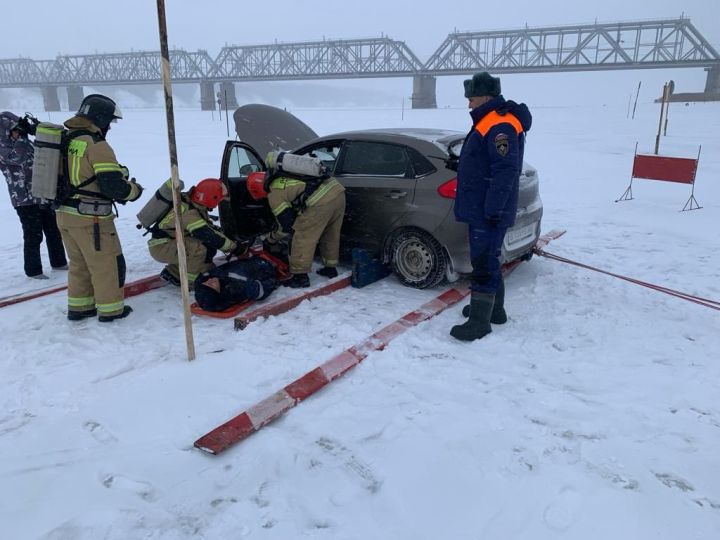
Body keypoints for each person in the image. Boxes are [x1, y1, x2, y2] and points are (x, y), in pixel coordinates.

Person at [450, 72, 532, 341]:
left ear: (485, 97)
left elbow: (505, 169)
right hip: (483, 206)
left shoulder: (499, 125)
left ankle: (479, 322)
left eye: (472, 99)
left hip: (488, 210)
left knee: (483, 262)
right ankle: (494, 311)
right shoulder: (489, 120)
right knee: (490, 258)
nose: (469, 105)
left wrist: (494, 208)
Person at [56, 94, 144, 322]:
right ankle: (110, 310)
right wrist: (134, 190)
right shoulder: (97, 145)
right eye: (110, 122)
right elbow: (114, 187)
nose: (110, 128)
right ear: (100, 119)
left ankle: (80, 308)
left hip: (64, 214)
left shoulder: (66, 140)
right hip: (91, 218)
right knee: (106, 264)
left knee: (79, 264)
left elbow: (82, 174)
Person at [250, 154, 345, 288]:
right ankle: (330, 267)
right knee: (330, 234)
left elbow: (287, 226)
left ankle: (300, 277)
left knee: (301, 236)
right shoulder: (282, 175)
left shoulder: (274, 194)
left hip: (320, 201)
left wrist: (270, 239)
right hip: (337, 191)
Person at [0, 111, 67, 279]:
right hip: (23, 199)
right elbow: (18, 159)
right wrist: (21, 138)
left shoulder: (23, 142)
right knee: (33, 234)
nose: (17, 132)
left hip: (41, 192)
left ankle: (59, 262)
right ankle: (33, 270)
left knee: (53, 230)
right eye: (15, 129)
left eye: (18, 129)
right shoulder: (4, 147)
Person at [147, 178, 245, 288]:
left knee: (202, 245)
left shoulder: (192, 202)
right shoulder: (189, 213)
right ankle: (192, 280)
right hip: (162, 247)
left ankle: (173, 272)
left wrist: (225, 235)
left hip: (168, 242)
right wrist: (234, 247)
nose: (218, 204)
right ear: (210, 198)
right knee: (201, 247)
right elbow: (209, 235)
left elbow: (208, 227)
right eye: (218, 200)